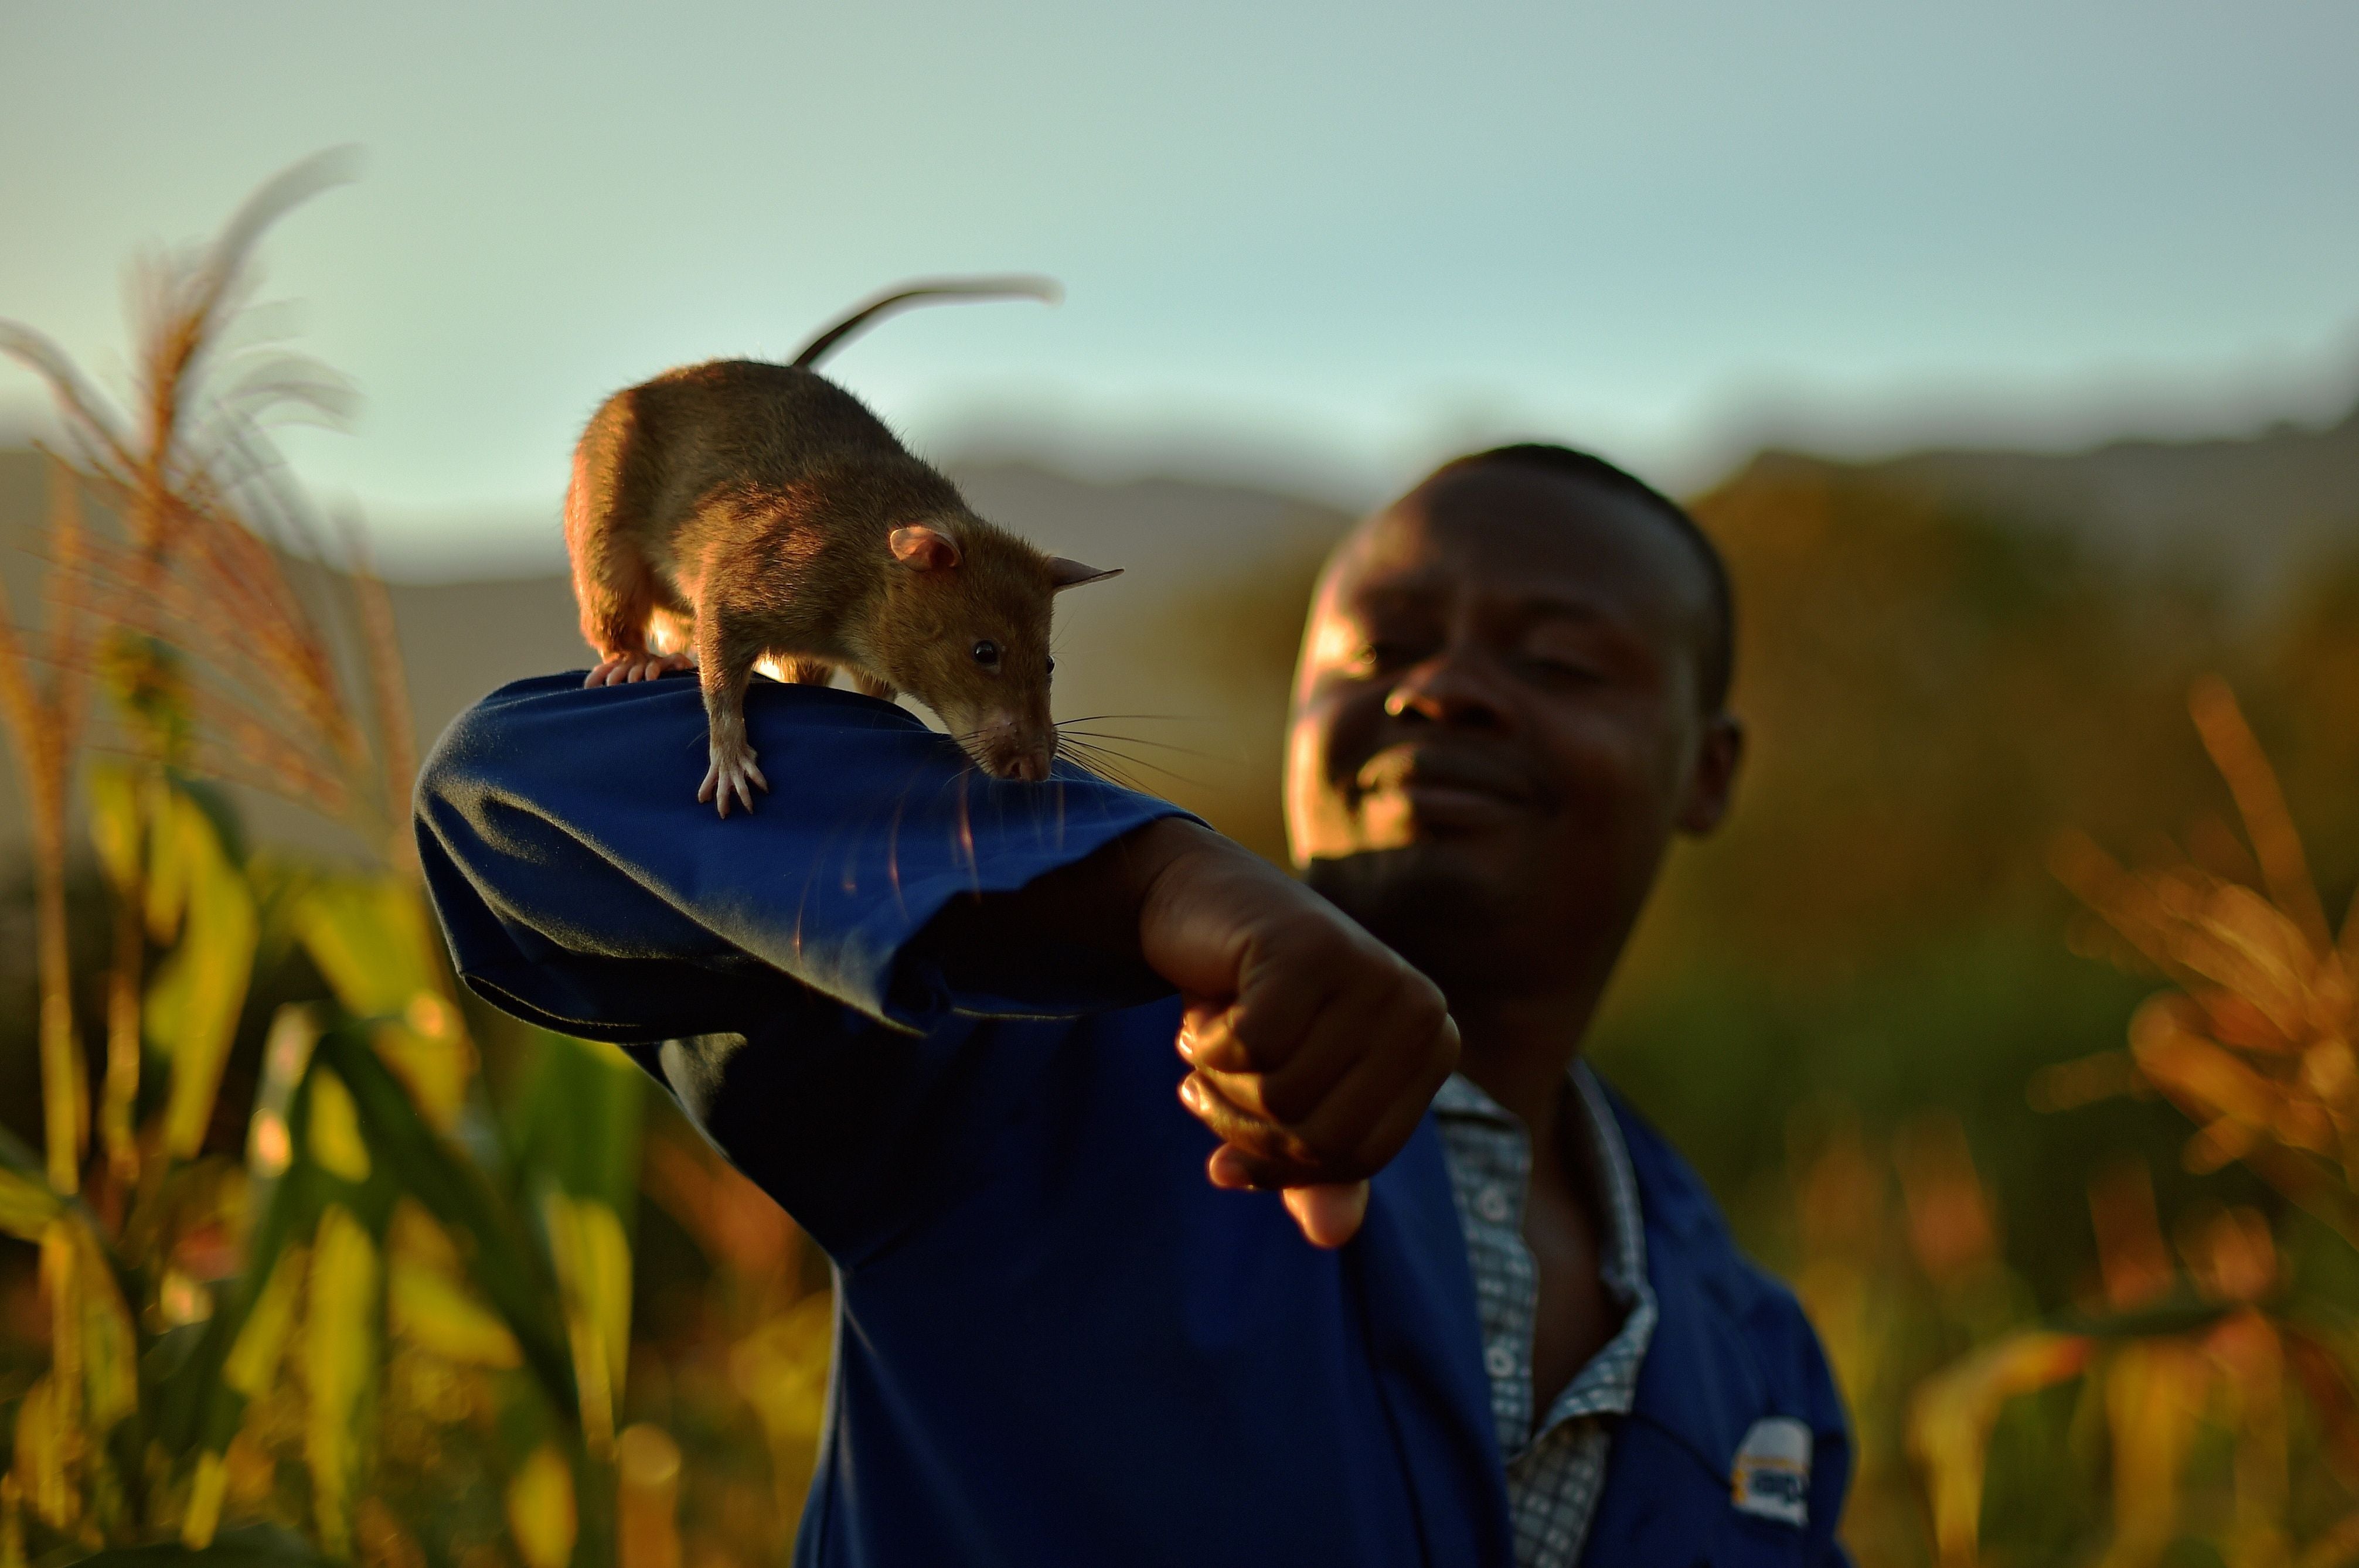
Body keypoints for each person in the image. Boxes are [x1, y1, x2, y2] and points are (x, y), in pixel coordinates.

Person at [416, 444, 1851, 1567]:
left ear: (1711, 769)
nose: (1441, 693)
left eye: (1558, 660)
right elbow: (515, 791)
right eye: (1381, 647)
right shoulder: (1009, 1043)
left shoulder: (1758, 1358)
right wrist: (1150, 878)